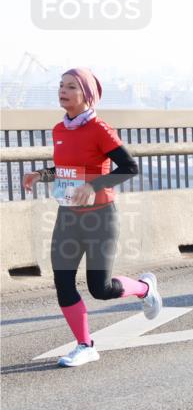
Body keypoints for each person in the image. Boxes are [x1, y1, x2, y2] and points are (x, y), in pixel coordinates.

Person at [21, 68, 163, 367]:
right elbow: (65, 171)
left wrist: (94, 185)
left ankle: (144, 288)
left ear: (86, 95)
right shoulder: (59, 130)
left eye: (71, 86)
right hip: (68, 217)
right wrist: (40, 174)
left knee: (100, 288)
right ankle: (85, 345)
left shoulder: (100, 129)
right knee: (62, 281)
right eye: (61, 85)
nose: (62, 90)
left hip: (100, 218)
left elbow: (129, 168)